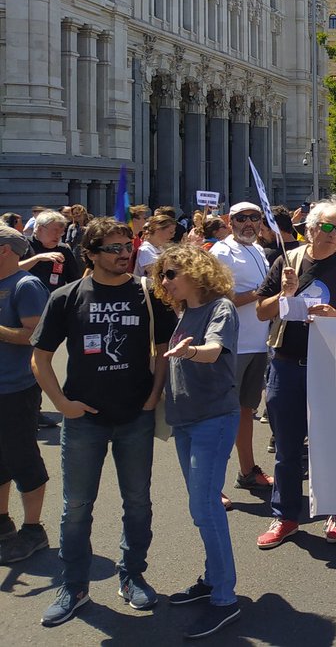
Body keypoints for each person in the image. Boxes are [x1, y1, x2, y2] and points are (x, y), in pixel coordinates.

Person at [31, 217, 177, 627]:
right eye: (112, 249)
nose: (124, 254)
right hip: (83, 421)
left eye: (126, 245)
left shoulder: (149, 294)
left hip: (135, 417)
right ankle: (74, 586)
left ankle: (132, 576)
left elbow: (163, 348)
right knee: (76, 508)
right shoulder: (67, 296)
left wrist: (153, 395)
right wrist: (61, 403)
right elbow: (40, 356)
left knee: (138, 503)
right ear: (90, 255)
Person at [254, 199, 336, 550]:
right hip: (287, 364)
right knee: (287, 447)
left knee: (334, 443)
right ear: (310, 228)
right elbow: (263, 312)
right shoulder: (287, 261)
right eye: (330, 227)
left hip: (333, 367)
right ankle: (286, 516)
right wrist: (285, 294)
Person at [152, 246, 243, 639]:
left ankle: (225, 598)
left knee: (205, 507)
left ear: (195, 272)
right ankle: (213, 578)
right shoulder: (183, 311)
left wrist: (192, 350)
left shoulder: (220, 308)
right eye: (163, 275)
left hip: (213, 419)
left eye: (171, 273)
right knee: (201, 507)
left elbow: (213, 351)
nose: (165, 281)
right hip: (187, 420)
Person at [208, 203, 273, 501]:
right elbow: (216, 297)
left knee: (245, 410)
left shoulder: (258, 250)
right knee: (220, 415)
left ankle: (247, 471)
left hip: (258, 343)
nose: (248, 223)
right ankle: (211, 485)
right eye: (241, 218)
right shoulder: (221, 252)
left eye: (254, 218)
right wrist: (261, 294)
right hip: (232, 345)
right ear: (229, 221)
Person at [0, 225, 52, 565]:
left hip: (15, 387)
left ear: (5, 249)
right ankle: (3, 521)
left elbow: (35, 335)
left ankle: (33, 530)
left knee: (22, 457)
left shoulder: (26, 285)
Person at [19, 210, 82, 291]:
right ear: (39, 229)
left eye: (61, 232)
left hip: (54, 300)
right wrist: (37, 258)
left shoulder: (63, 250)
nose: (58, 236)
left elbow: (74, 281)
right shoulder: (23, 245)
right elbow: (9, 270)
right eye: (55, 231)